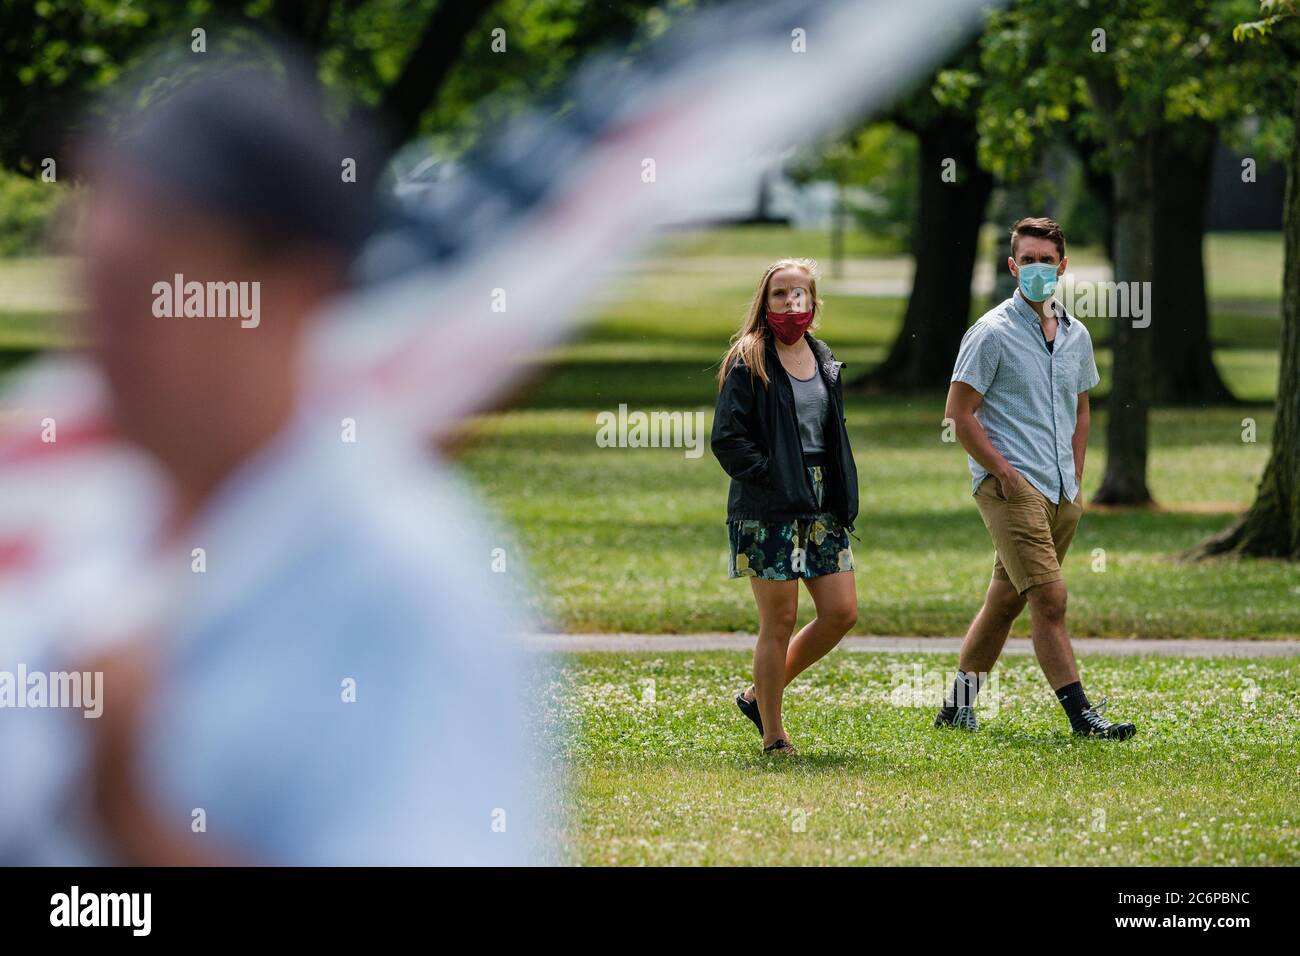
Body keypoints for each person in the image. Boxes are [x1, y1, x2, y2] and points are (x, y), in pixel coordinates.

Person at [0, 49, 552, 865]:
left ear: (289, 294)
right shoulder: (81, 509)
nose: (95, 347)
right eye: (92, 292)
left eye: (142, 297)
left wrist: (129, 817)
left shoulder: (402, 587)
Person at [935, 217, 1136, 740]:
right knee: (1051, 601)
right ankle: (1083, 717)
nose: (1038, 270)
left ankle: (956, 707)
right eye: (1028, 260)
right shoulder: (991, 333)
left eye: (1047, 261)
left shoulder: (1077, 335)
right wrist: (1003, 472)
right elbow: (959, 415)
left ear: (1063, 267)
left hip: (1062, 491)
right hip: (1011, 488)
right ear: (1012, 266)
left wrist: (1076, 474)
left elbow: (1081, 408)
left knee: (1005, 600)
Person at [710, 258, 860, 755]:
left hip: (821, 503)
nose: (790, 303)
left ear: (814, 304)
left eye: (800, 294)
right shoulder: (748, 357)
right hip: (768, 507)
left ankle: (759, 694)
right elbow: (728, 440)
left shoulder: (822, 355)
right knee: (780, 620)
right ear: (765, 301)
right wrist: (772, 477)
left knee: (841, 613)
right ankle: (773, 733)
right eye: (780, 294)